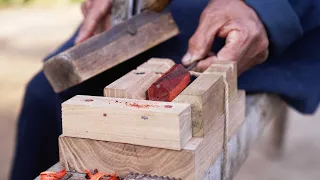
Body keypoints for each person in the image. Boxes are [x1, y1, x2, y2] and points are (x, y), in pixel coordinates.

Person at [10, 0, 320, 179]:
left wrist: (267, 9)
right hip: (144, 12)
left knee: (166, 129)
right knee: (44, 94)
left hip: (239, 11)